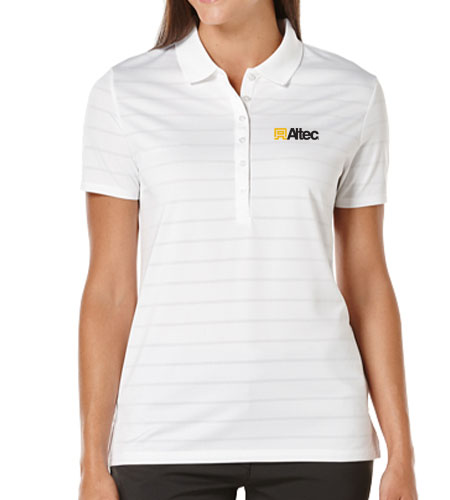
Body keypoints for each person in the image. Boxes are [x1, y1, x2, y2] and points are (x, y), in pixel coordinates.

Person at [78, 1, 418, 499]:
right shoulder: (124, 92)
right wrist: (91, 461)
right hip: (162, 434)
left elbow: (367, 282)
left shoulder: (352, 92)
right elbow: (109, 291)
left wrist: (402, 454)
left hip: (320, 432)